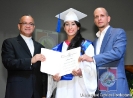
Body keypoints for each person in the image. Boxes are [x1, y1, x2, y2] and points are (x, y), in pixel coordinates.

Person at [79, 7, 130, 98]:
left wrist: (93, 58)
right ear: (94, 21)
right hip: (99, 89)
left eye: (102, 15)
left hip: (115, 85)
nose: (99, 18)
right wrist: (82, 71)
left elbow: (117, 53)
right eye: (96, 16)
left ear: (108, 18)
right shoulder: (95, 42)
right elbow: (93, 65)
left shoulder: (118, 32)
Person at [46, 8, 97, 98]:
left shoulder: (86, 46)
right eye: (67, 24)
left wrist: (81, 72)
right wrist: (54, 78)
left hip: (79, 87)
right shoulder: (57, 49)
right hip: (62, 89)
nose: (70, 27)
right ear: (64, 28)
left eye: (73, 24)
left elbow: (92, 69)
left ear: (78, 27)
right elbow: (52, 73)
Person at [1, 15, 47, 98]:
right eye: (25, 23)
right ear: (19, 26)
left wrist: (44, 94)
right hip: (17, 91)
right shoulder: (10, 43)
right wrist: (30, 61)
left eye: (31, 24)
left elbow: (43, 73)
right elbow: (8, 63)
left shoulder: (40, 47)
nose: (28, 26)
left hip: (37, 93)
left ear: (34, 27)